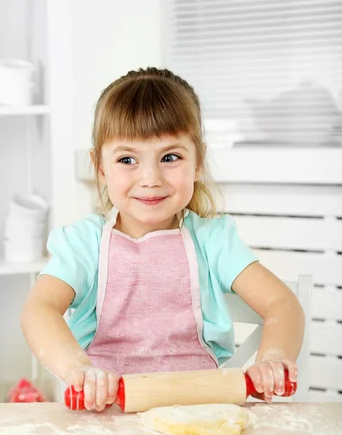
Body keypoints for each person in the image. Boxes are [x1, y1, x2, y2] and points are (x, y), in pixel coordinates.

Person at [21, 67, 305, 411]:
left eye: (170, 157)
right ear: (100, 167)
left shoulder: (213, 241)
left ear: (197, 162)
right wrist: (79, 369)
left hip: (203, 411)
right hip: (107, 414)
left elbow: (282, 304)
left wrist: (271, 359)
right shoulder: (85, 243)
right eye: (127, 159)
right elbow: (40, 309)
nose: (151, 178)